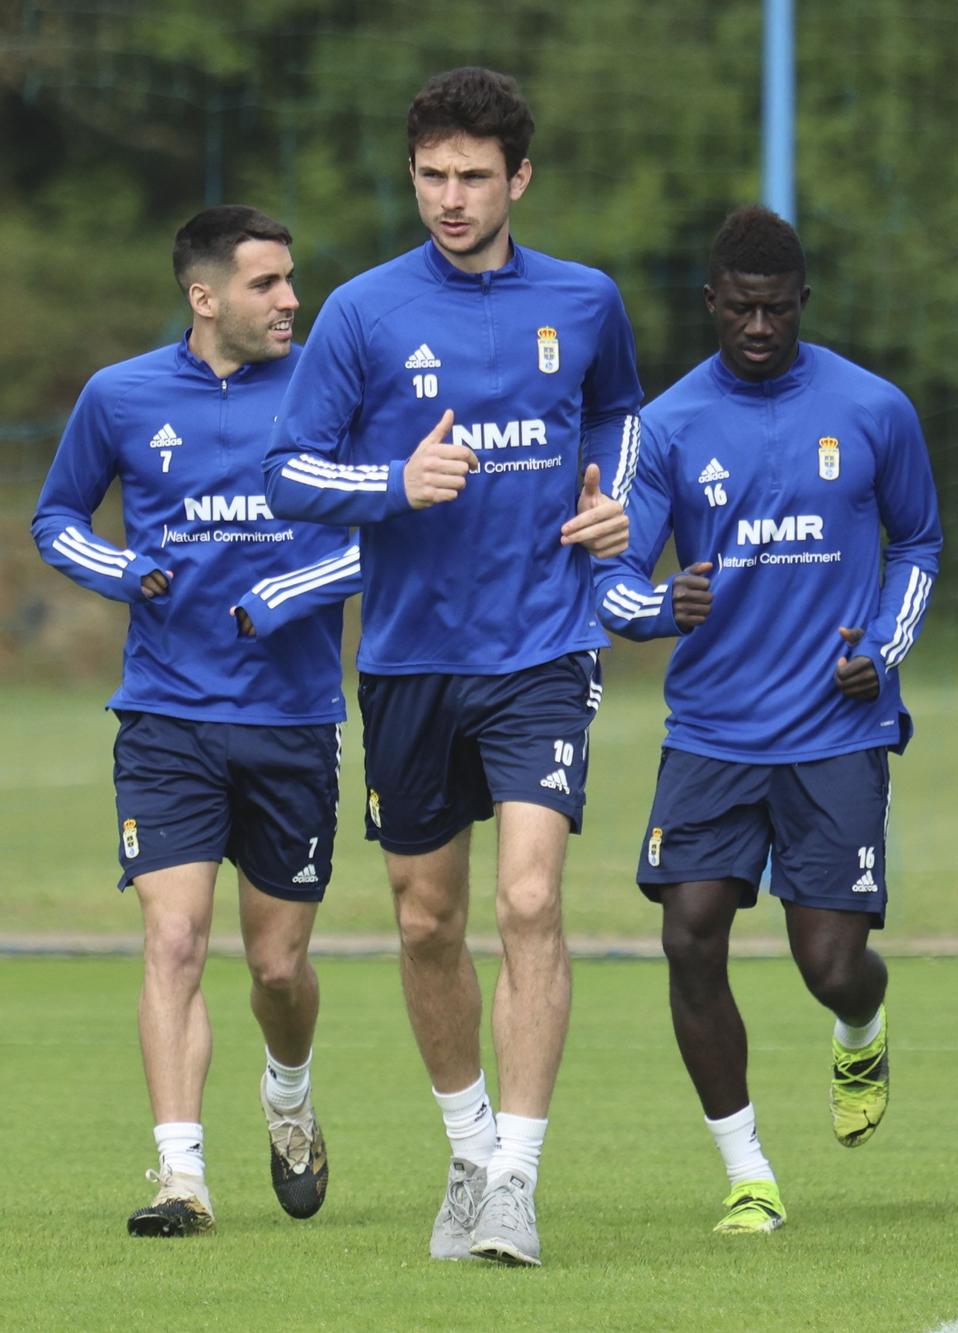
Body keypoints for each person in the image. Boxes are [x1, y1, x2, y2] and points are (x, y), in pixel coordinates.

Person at [262, 67, 641, 1267]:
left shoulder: (583, 299)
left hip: (544, 644)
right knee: (426, 921)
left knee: (530, 897)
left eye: (474, 175)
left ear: (518, 178)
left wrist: (613, 502)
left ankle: (517, 1177)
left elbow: (621, 415)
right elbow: (288, 470)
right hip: (412, 655)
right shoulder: (365, 313)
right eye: (432, 175)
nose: (450, 197)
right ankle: (468, 1148)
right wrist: (392, 484)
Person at [595, 205, 941, 1234]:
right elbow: (607, 580)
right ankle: (747, 1171)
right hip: (709, 734)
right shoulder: (662, 429)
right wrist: (663, 609)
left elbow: (918, 544)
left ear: (803, 305)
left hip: (836, 733)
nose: (757, 327)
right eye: (739, 308)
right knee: (689, 937)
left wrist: (880, 648)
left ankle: (862, 1024)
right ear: (710, 303)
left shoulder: (872, 408)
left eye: (776, 310)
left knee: (828, 964)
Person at [32, 206, 360, 1237]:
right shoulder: (119, 395)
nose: (290, 301)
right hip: (167, 716)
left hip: (293, 719)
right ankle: (181, 1177)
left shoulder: (329, 391)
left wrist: (293, 592)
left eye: (292, 281)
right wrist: (127, 573)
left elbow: (390, 531)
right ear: (204, 294)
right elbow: (57, 520)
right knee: (172, 941)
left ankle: (290, 1094)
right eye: (267, 283)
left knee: (275, 968)